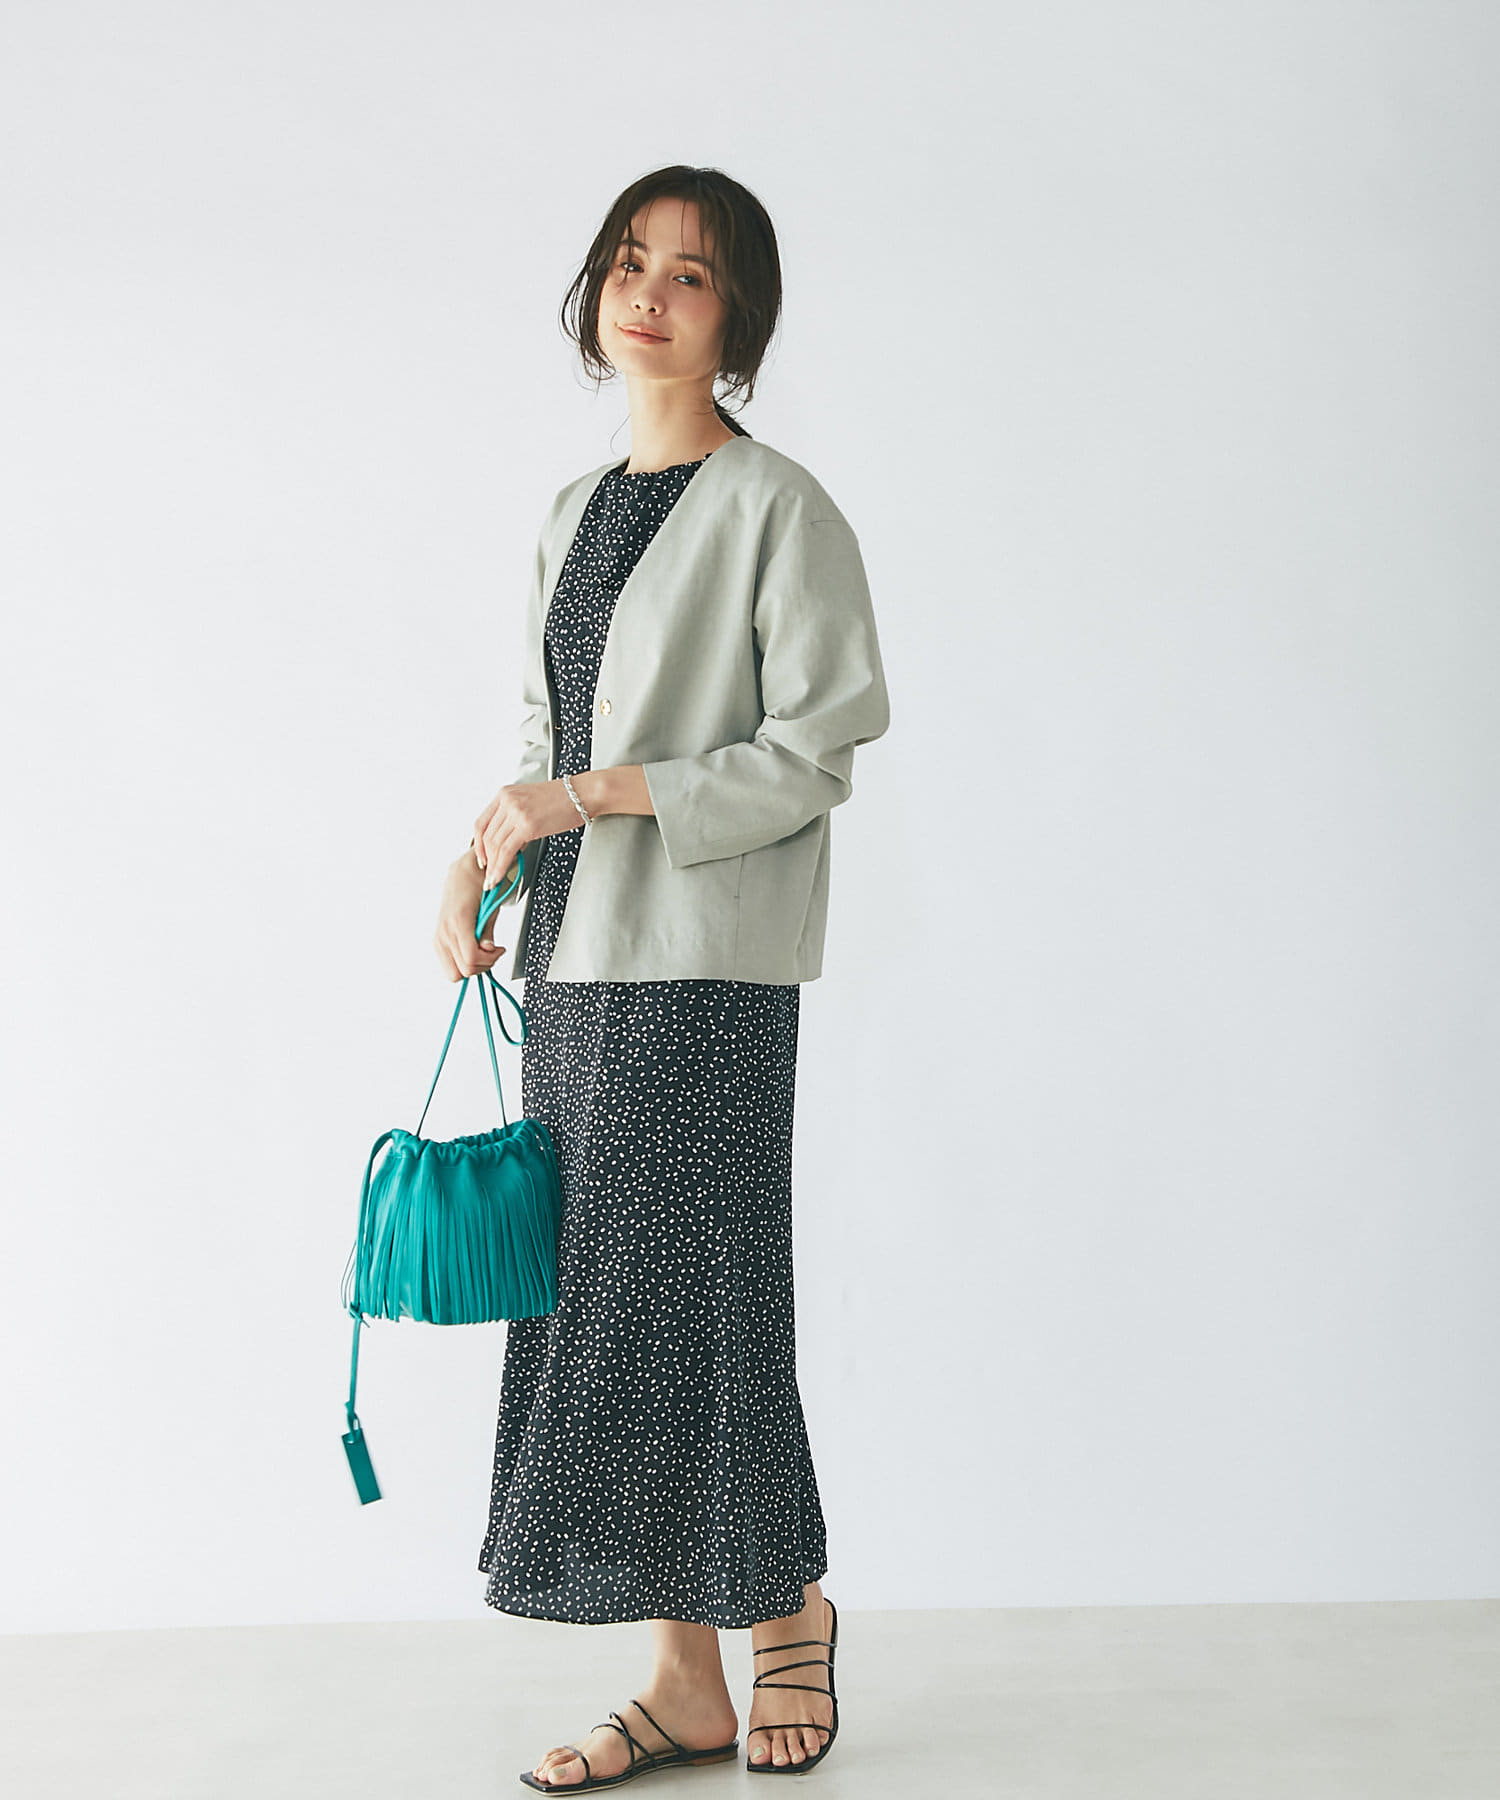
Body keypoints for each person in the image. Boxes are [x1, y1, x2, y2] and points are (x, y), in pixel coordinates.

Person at [431, 165, 889, 1791]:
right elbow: (545, 737)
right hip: (571, 959)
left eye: (691, 275)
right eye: (630, 262)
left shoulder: (781, 508)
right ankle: (686, 1681)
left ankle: (785, 1615)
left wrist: (599, 797)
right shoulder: (573, 511)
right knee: (606, 1305)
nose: (649, 293)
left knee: (703, 1293)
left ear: (737, 316)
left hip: (702, 968)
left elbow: (816, 750)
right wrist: (482, 857)